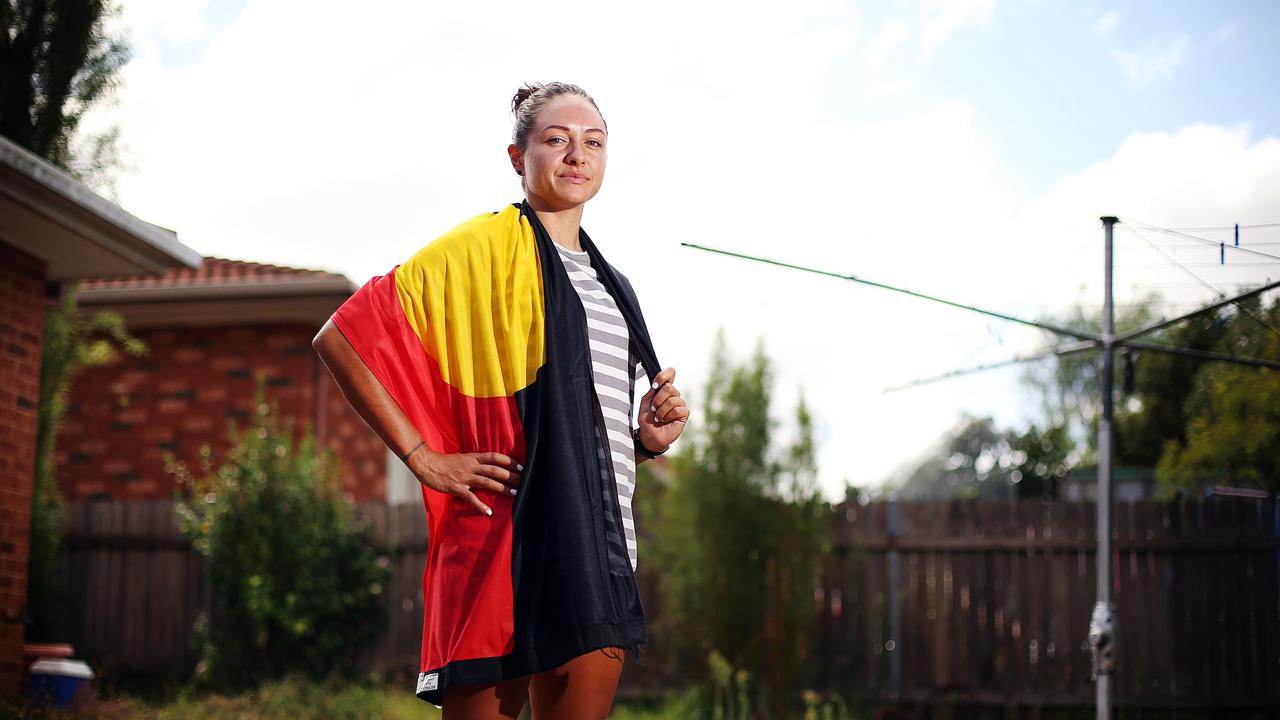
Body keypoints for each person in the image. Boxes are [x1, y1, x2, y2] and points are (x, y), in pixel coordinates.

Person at [312, 82, 689, 720]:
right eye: (556, 139)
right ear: (518, 157)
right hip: (501, 541)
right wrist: (422, 457)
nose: (577, 155)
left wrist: (645, 438)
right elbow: (343, 336)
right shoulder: (481, 247)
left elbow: (580, 419)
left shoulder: (614, 285)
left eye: (592, 142)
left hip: (595, 545)